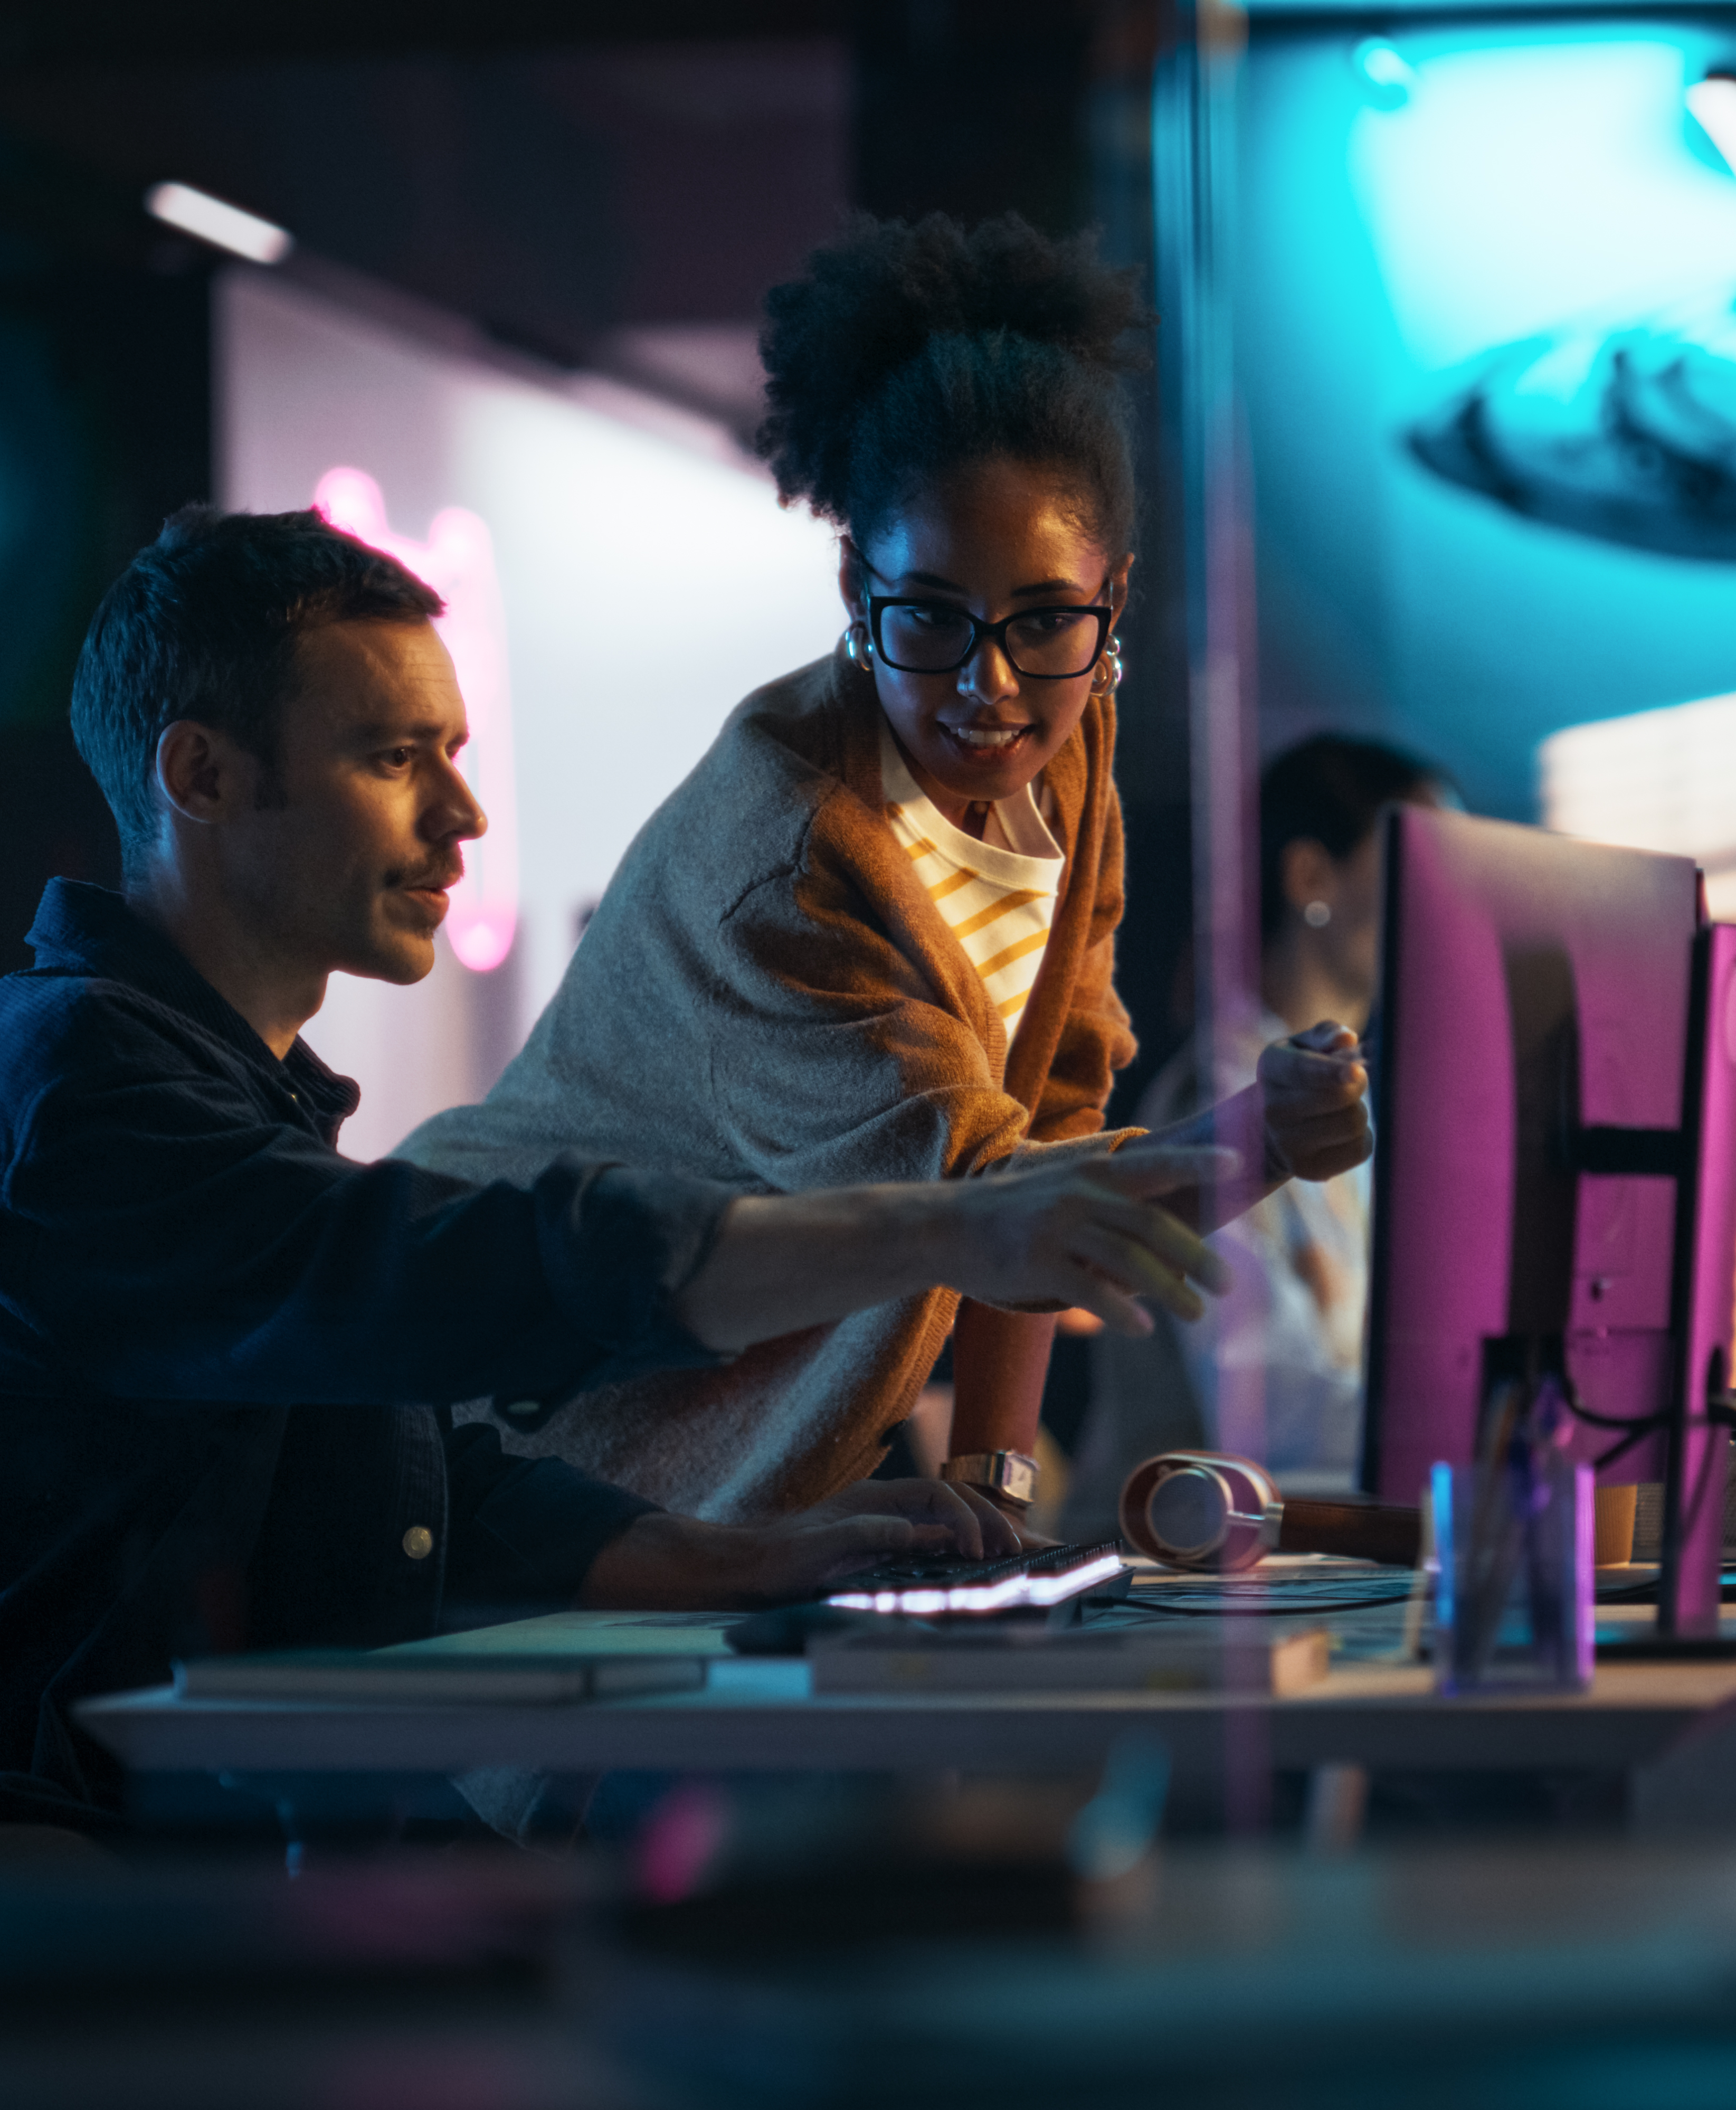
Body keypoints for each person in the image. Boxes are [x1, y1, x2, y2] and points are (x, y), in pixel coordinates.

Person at [0, 508, 1225, 1831]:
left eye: (455, 755)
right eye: (391, 756)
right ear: (203, 776)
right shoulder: (72, 1090)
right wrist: (954, 1230)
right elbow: (432, 1275)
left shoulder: (200, 1082)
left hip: (189, 1845)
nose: (462, 819)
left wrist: (759, 1554)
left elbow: (426, 1477)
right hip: (41, 1877)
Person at [400, 216, 1369, 1527]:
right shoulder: (788, 860)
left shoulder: (1065, 747)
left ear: (1112, 600)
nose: (991, 684)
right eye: (932, 618)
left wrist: (996, 1478)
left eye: (1042, 620)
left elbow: (1053, 1119)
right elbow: (989, 1205)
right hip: (519, 1408)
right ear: (859, 588)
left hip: (731, 1413)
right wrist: (1261, 1138)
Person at [1058, 736, 1453, 1535]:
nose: (1451, 906)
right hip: (1151, 1601)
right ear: (1311, 878)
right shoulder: (1220, 1099)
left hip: (1256, 1576)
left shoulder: (1334, 1102)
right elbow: (1272, 1417)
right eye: (1427, 865)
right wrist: (1483, 1423)